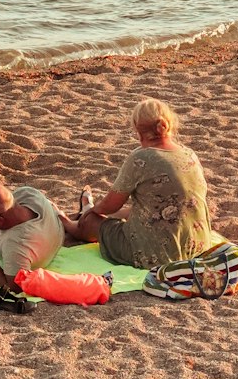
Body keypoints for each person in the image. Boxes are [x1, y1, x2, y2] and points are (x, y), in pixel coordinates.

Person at [60, 97, 214, 268]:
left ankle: (70, 222)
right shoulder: (189, 154)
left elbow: (110, 206)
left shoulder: (141, 158)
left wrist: (94, 210)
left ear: (138, 132)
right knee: (144, 207)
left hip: (157, 254)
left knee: (93, 222)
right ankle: (85, 210)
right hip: (198, 246)